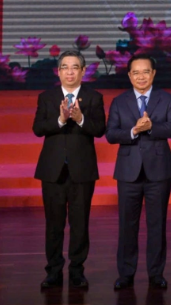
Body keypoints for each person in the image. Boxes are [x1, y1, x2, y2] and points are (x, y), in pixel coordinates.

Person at [106, 54, 171, 290]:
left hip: (159, 171)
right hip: (128, 172)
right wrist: (133, 131)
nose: (141, 77)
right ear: (129, 75)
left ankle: (156, 274)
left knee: (157, 224)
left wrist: (151, 127)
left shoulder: (166, 99)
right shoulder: (119, 101)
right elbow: (111, 134)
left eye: (145, 72)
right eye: (136, 72)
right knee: (127, 226)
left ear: (153, 74)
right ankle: (126, 273)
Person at [33, 51, 106, 289]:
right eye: (65, 67)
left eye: (75, 67)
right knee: (54, 224)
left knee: (80, 223)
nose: (70, 72)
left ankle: (77, 271)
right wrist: (61, 120)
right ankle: (53, 271)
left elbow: (100, 129)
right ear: (58, 71)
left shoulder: (94, 97)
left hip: (82, 170)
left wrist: (81, 118)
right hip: (52, 171)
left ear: (83, 71)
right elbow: (38, 128)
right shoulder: (47, 97)